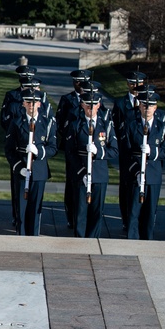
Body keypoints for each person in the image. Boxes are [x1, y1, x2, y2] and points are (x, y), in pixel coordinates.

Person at [63, 87, 118, 238]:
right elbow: (69, 151)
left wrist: (98, 152)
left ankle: (93, 239)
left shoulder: (106, 125)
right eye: (87, 104)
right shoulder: (75, 125)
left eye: (94, 105)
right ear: (82, 105)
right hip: (81, 173)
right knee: (80, 211)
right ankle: (80, 240)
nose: (90, 108)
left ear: (99, 105)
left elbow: (114, 151)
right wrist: (81, 171)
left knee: (96, 211)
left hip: (99, 174)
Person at [3, 89, 57, 236]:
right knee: (21, 209)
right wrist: (18, 166)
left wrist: (39, 152)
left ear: (39, 103)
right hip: (22, 170)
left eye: (34, 102)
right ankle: (21, 239)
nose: (31, 105)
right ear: (23, 104)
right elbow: (9, 149)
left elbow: (53, 148)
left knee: (35, 209)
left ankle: (33, 238)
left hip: (39, 171)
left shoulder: (47, 123)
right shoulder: (16, 122)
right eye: (28, 102)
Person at [120, 87, 165, 240]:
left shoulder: (162, 127)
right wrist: (136, 171)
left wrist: (152, 153)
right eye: (144, 104)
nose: (147, 108)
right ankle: (132, 241)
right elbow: (125, 152)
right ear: (139, 105)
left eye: (151, 105)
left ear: (155, 107)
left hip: (153, 175)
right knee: (133, 212)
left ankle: (147, 241)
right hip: (135, 174)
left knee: (149, 212)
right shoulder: (130, 125)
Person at [56, 70, 93, 230]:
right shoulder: (67, 100)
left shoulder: (94, 100)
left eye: (83, 82)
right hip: (73, 149)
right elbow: (60, 123)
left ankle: (86, 217)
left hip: (90, 149)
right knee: (72, 182)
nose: (80, 85)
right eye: (77, 82)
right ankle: (71, 216)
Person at [113, 71, 146, 233]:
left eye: (138, 83)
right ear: (128, 84)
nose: (136, 86)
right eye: (133, 83)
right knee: (126, 186)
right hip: (126, 152)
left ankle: (142, 220)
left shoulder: (146, 102)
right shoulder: (121, 103)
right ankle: (126, 219)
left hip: (143, 152)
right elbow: (117, 128)